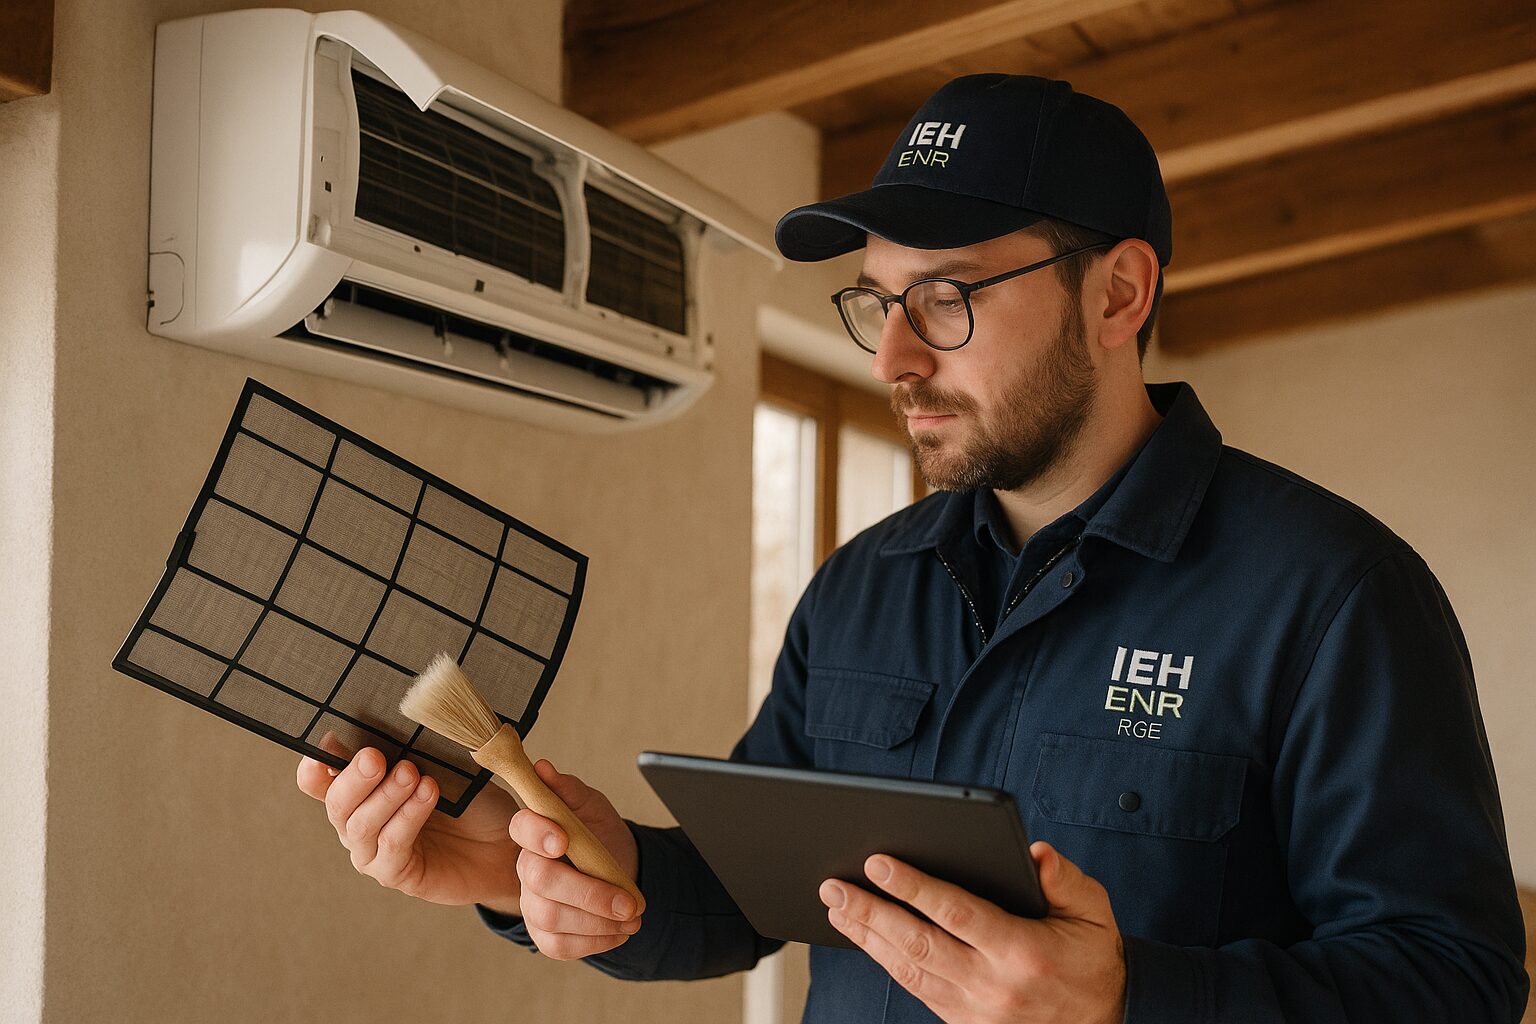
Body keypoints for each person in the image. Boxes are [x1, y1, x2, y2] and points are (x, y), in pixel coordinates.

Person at [296, 74, 1530, 1022]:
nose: (892, 357)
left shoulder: (1333, 594)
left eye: (947, 298)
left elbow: (1458, 983)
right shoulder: (859, 588)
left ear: (1118, 293)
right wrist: (535, 875)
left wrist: (1126, 997)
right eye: (880, 302)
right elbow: (746, 898)